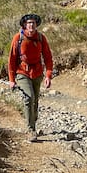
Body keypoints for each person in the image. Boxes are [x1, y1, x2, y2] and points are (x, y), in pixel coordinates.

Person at [8, 13, 53, 142]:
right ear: (24, 25)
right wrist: (11, 80)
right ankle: (30, 129)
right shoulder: (18, 38)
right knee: (28, 98)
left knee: (35, 101)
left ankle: (33, 121)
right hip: (22, 72)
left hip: (37, 73)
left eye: (33, 23)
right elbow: (11, 60)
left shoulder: (41, 38)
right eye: (29, 23)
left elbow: (48, 58)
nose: (31, 25)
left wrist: (48, 76)